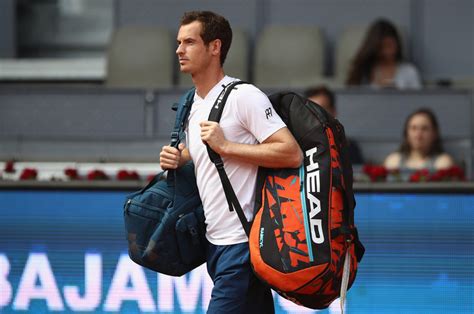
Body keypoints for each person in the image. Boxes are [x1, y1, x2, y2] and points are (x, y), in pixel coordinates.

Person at [160, 11, 302, 313]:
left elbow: (290, 153)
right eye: (178, 42)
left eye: (189, 42)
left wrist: (227, 146)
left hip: (243, 244)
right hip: (215, 245)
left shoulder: (243, 96)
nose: (179, 50)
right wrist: (180, 157)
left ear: (215, 47)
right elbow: (207, 153)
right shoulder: (192, 103)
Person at [346, 18, 422, 89]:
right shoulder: (363, 71)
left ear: (397, 43)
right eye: (381, 47)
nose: (387, 52)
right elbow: (353, 99)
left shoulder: (409, 71)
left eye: (390, 45)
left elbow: (417, 101)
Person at [384, 108, 454, 177]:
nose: (418, 135)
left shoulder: (442, 163)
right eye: (414, 128)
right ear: (406, 133)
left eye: (424, 129)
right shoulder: (393, 162)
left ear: (434, 133)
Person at [304, 85, 364, 164]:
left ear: (333, 112)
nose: (315, 115)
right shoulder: (296, 146)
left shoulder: (347, 147)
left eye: (321, 109)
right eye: (310, 110)